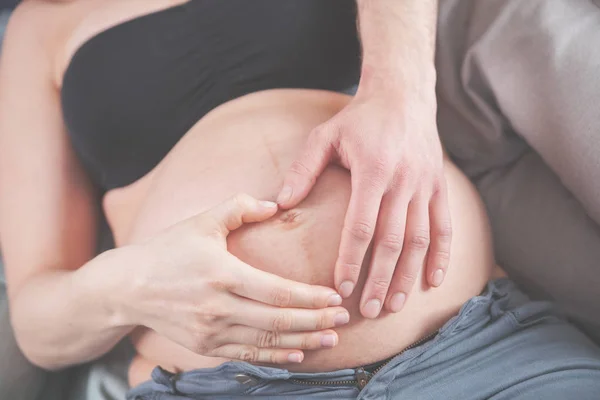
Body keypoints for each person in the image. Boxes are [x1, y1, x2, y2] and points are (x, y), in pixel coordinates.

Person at [0, 0, 599, 399]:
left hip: (482, 348)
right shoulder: (38, 27)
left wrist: (399, 90)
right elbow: (37, 323)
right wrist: (128, 286)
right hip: (228, 386)